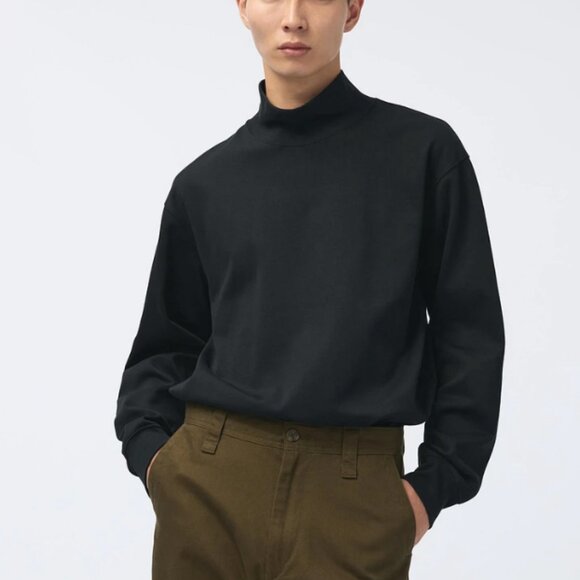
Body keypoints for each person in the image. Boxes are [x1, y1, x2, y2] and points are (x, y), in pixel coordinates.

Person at [114, 0, 505, 578]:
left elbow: (469, 332)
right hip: (209, 485)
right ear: (243, 7)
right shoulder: (205, 183)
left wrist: (434, 486)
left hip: (354, 494)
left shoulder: (423, 154)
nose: (293, 17)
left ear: (352, 9)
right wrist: (157, 461)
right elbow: (165, 345)